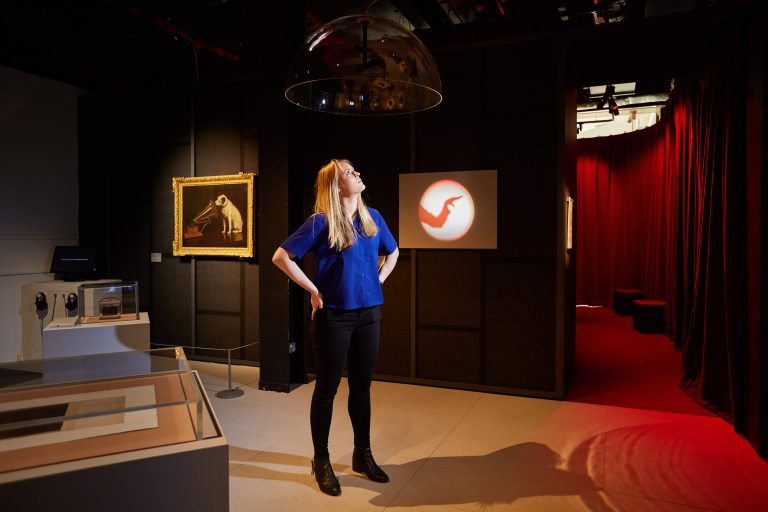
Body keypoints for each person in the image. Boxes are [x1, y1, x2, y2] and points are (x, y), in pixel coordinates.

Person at [272, 158, 399, 496]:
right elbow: (281, 256)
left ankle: (363, 454)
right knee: (326, 389)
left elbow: (394, 251)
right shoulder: (321, 221)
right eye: (348, 172)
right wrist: (313, 290)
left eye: (356, 169)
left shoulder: (374, 219)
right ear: (335, 184)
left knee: (362, 388)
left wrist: (378, 280)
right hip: (335, 318)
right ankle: (322, 460)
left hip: (369, 314)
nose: (357, 173)